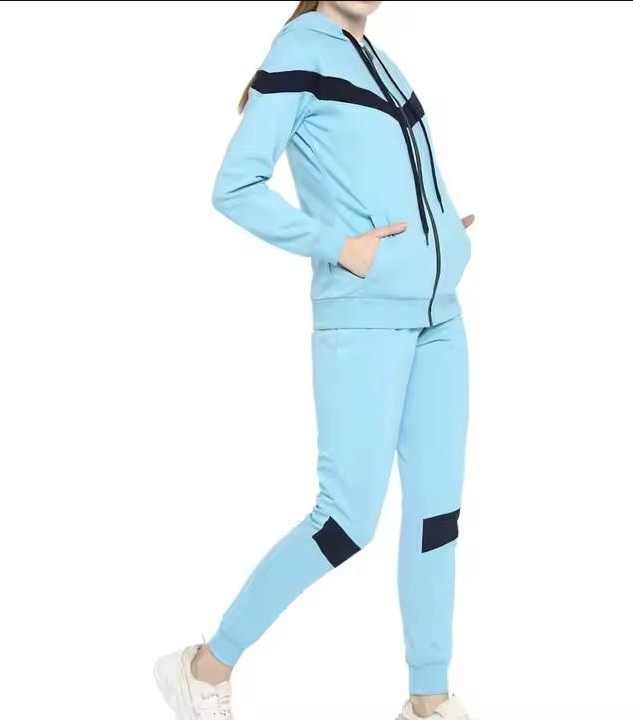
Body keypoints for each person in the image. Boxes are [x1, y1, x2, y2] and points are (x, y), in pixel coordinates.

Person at [154, 2, 475, 718]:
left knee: (437, 516)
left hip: (440, 320)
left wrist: (443, 234)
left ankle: (428, 699)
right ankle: (204, 668)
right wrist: (339, 245)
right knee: (344, 523)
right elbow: (234, 185)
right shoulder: (301, 47)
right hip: (364, 322)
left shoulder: (383, 60)